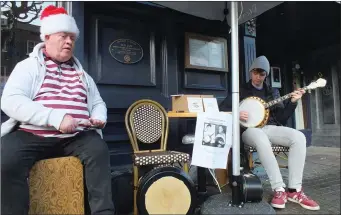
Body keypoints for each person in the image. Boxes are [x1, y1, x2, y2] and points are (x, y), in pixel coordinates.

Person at [1, 5, 115, 215]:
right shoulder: (28, 67)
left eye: (72, 37)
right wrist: (56, 117)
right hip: (31, 134)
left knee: (98, 150)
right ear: (47, 37)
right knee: (4, 158)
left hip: (76, 137)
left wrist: (99, 117)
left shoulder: (83, 75)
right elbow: (11, 100)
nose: (69, 42)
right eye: (64, 36)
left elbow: (98, 103)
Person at [220, 56, 320, 210]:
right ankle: (279, 189)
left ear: (266, 75)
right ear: (251, 72)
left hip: (270, 128)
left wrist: (293, 102)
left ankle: (294, 190)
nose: (258, 77)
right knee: (260, 136)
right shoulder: (240, 90)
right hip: (249, 131)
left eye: (262, 74)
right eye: (255, 72)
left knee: (299, 137)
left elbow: (281, 118)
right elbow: (222, 109)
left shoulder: (272, 92)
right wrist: (237, 113)